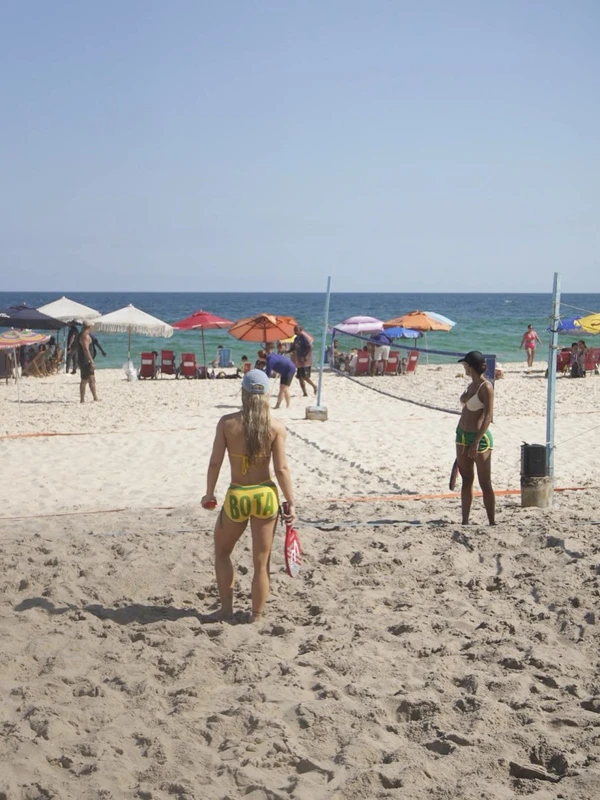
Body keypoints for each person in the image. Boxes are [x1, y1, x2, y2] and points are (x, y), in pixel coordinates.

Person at [201, 369, 295, 622]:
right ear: (266, 395)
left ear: (243, 392)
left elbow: (214, 463)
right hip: (265, 496)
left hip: (238, 496)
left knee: (222, 552)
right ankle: (256, 615)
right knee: (261, 562)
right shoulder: (276, 427)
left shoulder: (227, 423)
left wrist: (209, 494)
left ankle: (226, 609)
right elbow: (281, 469)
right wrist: (291, 502)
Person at [456, 351, 495, 526]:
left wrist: (477, 440)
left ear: (471, 367)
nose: (464, 367)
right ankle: (465, 521)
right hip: (462, 435)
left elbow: (488, 416)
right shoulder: (471, 385)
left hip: (478, 437)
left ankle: (492, 522)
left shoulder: (485, 387)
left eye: (465, 365)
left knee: (484, 481)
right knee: (466, 479)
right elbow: (464, 403)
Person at [291, 325, 317, 396]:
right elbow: (293, 348)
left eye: (296, 330)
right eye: (294, 330)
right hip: (299, 361)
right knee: (300, 377)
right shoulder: (296, 339)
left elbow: (310, 347)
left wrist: (307, 356)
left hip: (305, 361)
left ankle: (314, 386)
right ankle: (305, 393)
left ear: (300, 330)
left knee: (305, 377)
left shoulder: (304, 338)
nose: (295, 331)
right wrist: (286, 351)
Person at [77, 321, 99, 402]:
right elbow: (86, 349)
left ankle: (95, 397)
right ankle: (82, 399)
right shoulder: (85, 336)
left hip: (85, 360)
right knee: (84, 380)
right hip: (85, 360)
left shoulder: (83, 335)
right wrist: (91, 360)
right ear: (89, 327)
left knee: (92, 379)